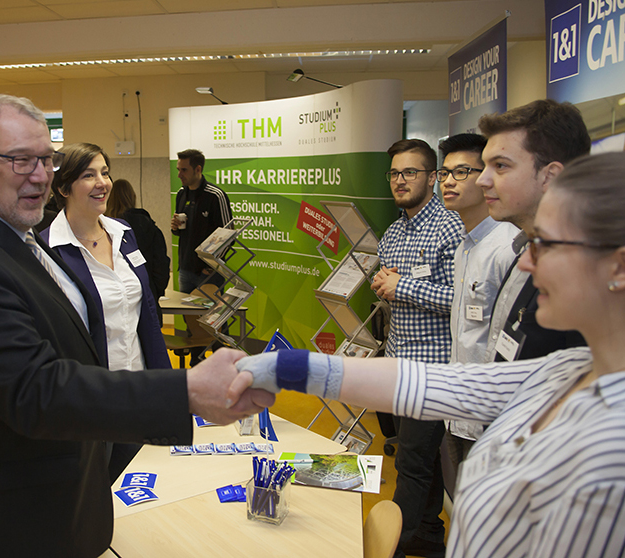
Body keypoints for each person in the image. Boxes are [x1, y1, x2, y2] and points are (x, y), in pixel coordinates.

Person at [0, 93, 272, 558]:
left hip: (38, 494)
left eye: (46, 159)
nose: (40, 175)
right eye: (20, 161)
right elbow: (36, 389)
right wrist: (184, 390)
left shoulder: (7, 236)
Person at [233, 152, 625, 558]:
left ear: (618, 266)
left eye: (545, 243)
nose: (525, 261)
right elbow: (432, 385)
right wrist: (283, 367)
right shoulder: (567, 368)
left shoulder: (610, 448)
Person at [42, 143, 170, 481]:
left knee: (144, 489)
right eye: (88, 175)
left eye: (105, 172)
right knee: (96, 495)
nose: (102, 182)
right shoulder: (47, 252)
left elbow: (147, 314)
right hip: (92, 402)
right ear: (62, 188)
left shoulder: (124, 234)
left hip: (140, 391)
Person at [371, 138, 463, 558]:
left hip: (434, 369)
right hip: (399, 365)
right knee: (417, 463)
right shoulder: (392, 232)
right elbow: (393, 289)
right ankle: (427, 536)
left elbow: (462, 300)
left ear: (432, 176)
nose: (400, 181)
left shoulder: (450, 226)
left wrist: (401, 286)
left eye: (410, 172)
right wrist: (384, 285)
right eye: (394, 173)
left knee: (410, 463)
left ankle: (395, 546)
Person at [477, 99, 590, 363]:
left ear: (550, 176)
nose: (481, 179)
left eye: (501, 166)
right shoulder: (523, 245)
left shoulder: (585, 269)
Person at [437, 134, 518, 474]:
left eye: (462, 172)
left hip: (490, 419)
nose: (449, 182)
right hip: (459, 411)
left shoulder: (507, 248)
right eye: (444, 173)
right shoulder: (465, 247)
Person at [172, 148, 232, 364]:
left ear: (198, 169)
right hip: (186, 268)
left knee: (214, 320)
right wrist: (175, 228)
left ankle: (223, 360)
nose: (179, 174)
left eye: (184, 170)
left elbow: (228, 233)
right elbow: (182, 230)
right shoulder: (181, 194)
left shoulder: (215, 195)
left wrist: (212, 265)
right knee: (191, 320)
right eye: (178, 169)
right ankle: (197, 360)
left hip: (210, 272)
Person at [106, 177, 170, 328]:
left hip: (114, 306)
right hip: (148, 300)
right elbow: (161, 267)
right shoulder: (150, 228)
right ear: (133, 197)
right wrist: (155, 291)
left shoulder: (103, 230)